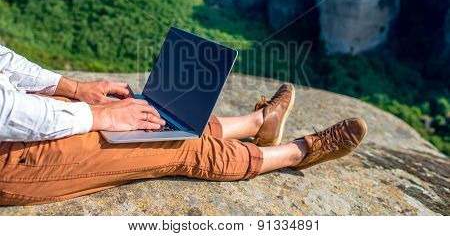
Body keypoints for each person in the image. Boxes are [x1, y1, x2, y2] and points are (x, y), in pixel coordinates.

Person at [0, 45, 367, 206]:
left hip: (17, 119)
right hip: (8, 156)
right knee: (174, 145)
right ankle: (297, 152)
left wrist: (75, 90)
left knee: (153, 117)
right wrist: (100, 116)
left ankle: (260, 122)